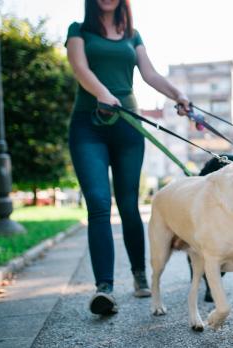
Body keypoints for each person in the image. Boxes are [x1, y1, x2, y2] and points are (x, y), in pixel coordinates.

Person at [65, 0, 189, 315]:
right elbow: (80, 68)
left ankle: (139, 275)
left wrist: (178, 94)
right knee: (97, 202)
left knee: (128, 204)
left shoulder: (132, 35)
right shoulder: (78, 31)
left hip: (128, 126)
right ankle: (104, 288)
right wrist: (103, 93)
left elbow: (150, 74)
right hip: (88, 125)